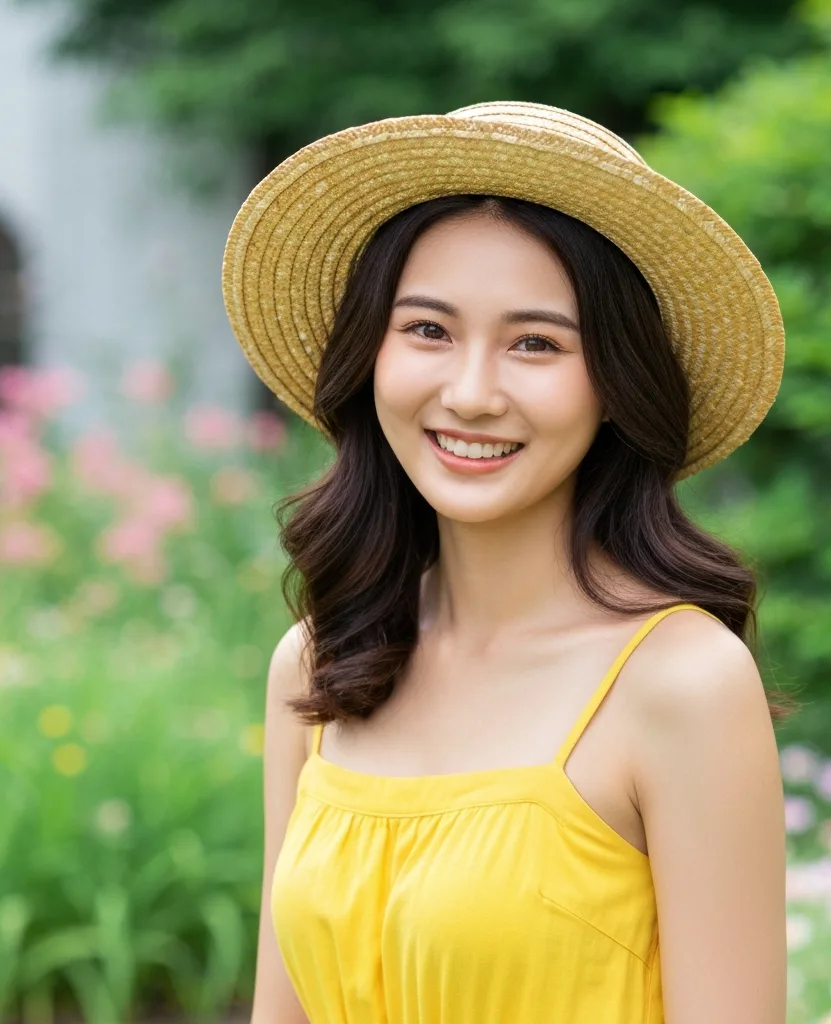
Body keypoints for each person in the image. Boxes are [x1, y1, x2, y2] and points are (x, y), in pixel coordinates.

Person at [223, 101, 794, 1024]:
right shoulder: (321, 662)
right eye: (428, 331)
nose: (473, 393)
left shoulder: (681, 684)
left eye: (536, 343)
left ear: (615, 382)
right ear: (371, 356)